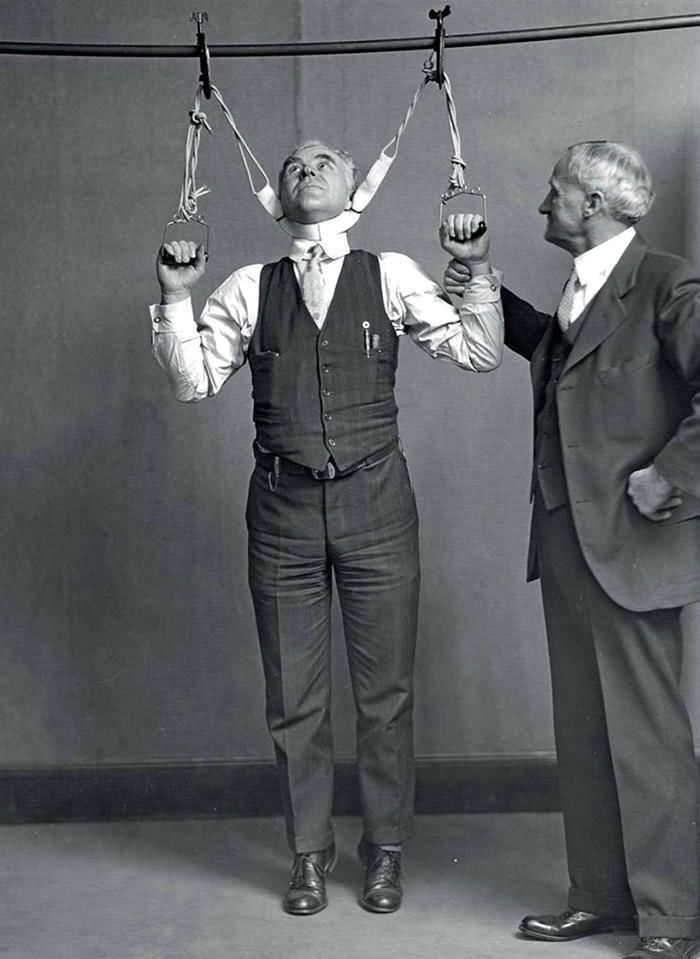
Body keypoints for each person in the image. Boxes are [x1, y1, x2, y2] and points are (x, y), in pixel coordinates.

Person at [150, 139, 503, 915]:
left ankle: (385, 849)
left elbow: (481, 352)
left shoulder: (392, 274)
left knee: (386, 692)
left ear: (355, 185)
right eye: (293, 165)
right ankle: (308, 852)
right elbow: (193, 383)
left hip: (377, 503)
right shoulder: (248, 287)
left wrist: (476, 270)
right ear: (275, 196)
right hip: (282, 510)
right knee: (293, 695)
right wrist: (176, 297)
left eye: (323, 162)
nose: (306, 170)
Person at [444, 140, 700, 959]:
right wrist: (479, 280)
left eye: (554, 191)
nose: (541, 204)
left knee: (648, 736)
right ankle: (600, 896)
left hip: (632, 545)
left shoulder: (666, 282)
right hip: (564, 540)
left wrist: (673, 474)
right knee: (586, 730)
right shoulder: (584, 286)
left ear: (593, 202)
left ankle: (673, 917)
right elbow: (563, 357)